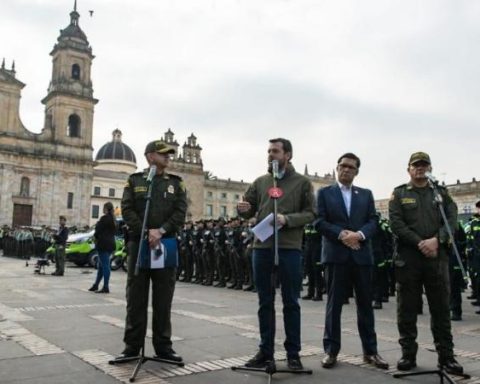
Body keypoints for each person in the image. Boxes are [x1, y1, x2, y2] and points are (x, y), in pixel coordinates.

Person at [237, 138, 315, 370]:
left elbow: (311, 213)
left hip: (289, 249)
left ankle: (293, 353)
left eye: (275, 151)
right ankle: (265, 351)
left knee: (291, 302)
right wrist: (243, 210)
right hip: (262, 248)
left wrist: (287, 219)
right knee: (265, 302)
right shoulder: (261, 182)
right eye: (269, 151)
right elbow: (248, 208)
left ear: (288, 155)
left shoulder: (301, 182)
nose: (270, 155)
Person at [389, 151, 463, 374]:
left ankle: (446, 357)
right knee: (407, 310)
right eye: (416, 165)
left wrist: (437, 241)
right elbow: (396, 223)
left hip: (436, 258)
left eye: (424, 165)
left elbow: (452, 219)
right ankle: (408, 355)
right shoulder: (399, 193)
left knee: (441, 309)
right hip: (409, 259)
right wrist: (421, 242)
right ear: (409, 169)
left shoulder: (440, 193)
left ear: (430, 168)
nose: (420, 168)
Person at [114, 140, 187, 362]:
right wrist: (146, 231)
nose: (168, 157)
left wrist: (161, 231)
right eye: (163, 153)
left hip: (165, 245)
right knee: (135, 298)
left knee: (163, 299)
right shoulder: (135, 180)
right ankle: (132, 347)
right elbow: (126, 209)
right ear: (150, 156)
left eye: (169, 154)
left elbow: (180, 212)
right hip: (140, 245)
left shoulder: (176, 183)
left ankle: (163, 347)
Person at [316, 153, 388, 370]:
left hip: (361, 255)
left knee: (365, 305)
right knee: (334, 306)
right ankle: (331, 351)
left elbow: (373, 221)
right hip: (336, 256)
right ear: (337, 168)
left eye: (351, 167)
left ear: (357, 171)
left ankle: (370, 352)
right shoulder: (324, 193)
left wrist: (359, 235)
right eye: (342, 166)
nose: (346, 170)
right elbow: (319, 221)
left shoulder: (365, 195)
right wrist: (342, 235)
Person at [89, 202, 116, 293]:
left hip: (103, 244)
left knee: (105, 266)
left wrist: (96, 236)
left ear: (106, 209)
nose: (103, 209)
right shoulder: (113, 219)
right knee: (101, 265)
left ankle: (106, 286)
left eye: (104, 208)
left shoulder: (104, 218)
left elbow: (97, 231)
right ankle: (96, 285)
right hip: (111, 244)